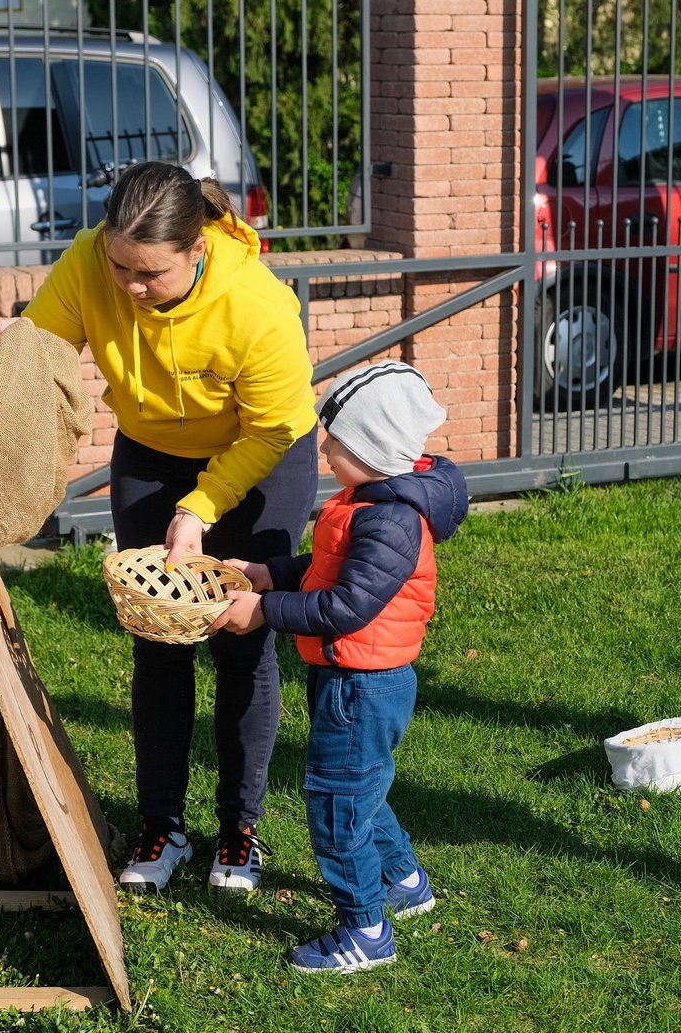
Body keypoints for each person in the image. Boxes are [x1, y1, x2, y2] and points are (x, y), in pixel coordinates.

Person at [12, 161, 318, 894]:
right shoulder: (91, 260)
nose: (130, 286)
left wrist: (199, 508)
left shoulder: (258, 306)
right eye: (120, 266)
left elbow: (273, 429)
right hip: (151, 453)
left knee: (241, 638)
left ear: (198, 249)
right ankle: (162, 825)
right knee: (157, 638)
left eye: (150, 273)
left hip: (262, 458)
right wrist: (11, 351)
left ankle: (240, 831)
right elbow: (40, 352)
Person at [210, 361, 468, 973]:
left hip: (362, 686)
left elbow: (346, 606)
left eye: (338, 443)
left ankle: (365, 931)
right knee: (362, 789)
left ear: (375, 451)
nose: (324, 451)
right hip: (352, 680)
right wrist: (271, 574)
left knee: (336, 804)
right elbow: (327, 569)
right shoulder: (369, 500)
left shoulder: (392, 520)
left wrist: (263, 611)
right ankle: (404, 882)